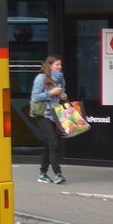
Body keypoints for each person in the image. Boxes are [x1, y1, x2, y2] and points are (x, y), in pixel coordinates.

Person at [31, 55, 68, 184]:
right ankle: (58, 173)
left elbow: (60, 96)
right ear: (50, 66)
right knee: (54, 142)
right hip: (43, 114)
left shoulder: (61, 80)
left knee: (48, 144)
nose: (60, 67)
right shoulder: (41, 78)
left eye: (60, 65)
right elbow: (35, 97)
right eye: (57, 65)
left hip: (55, 114)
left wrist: (62, 96)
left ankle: (42, 173)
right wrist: (51, 93)